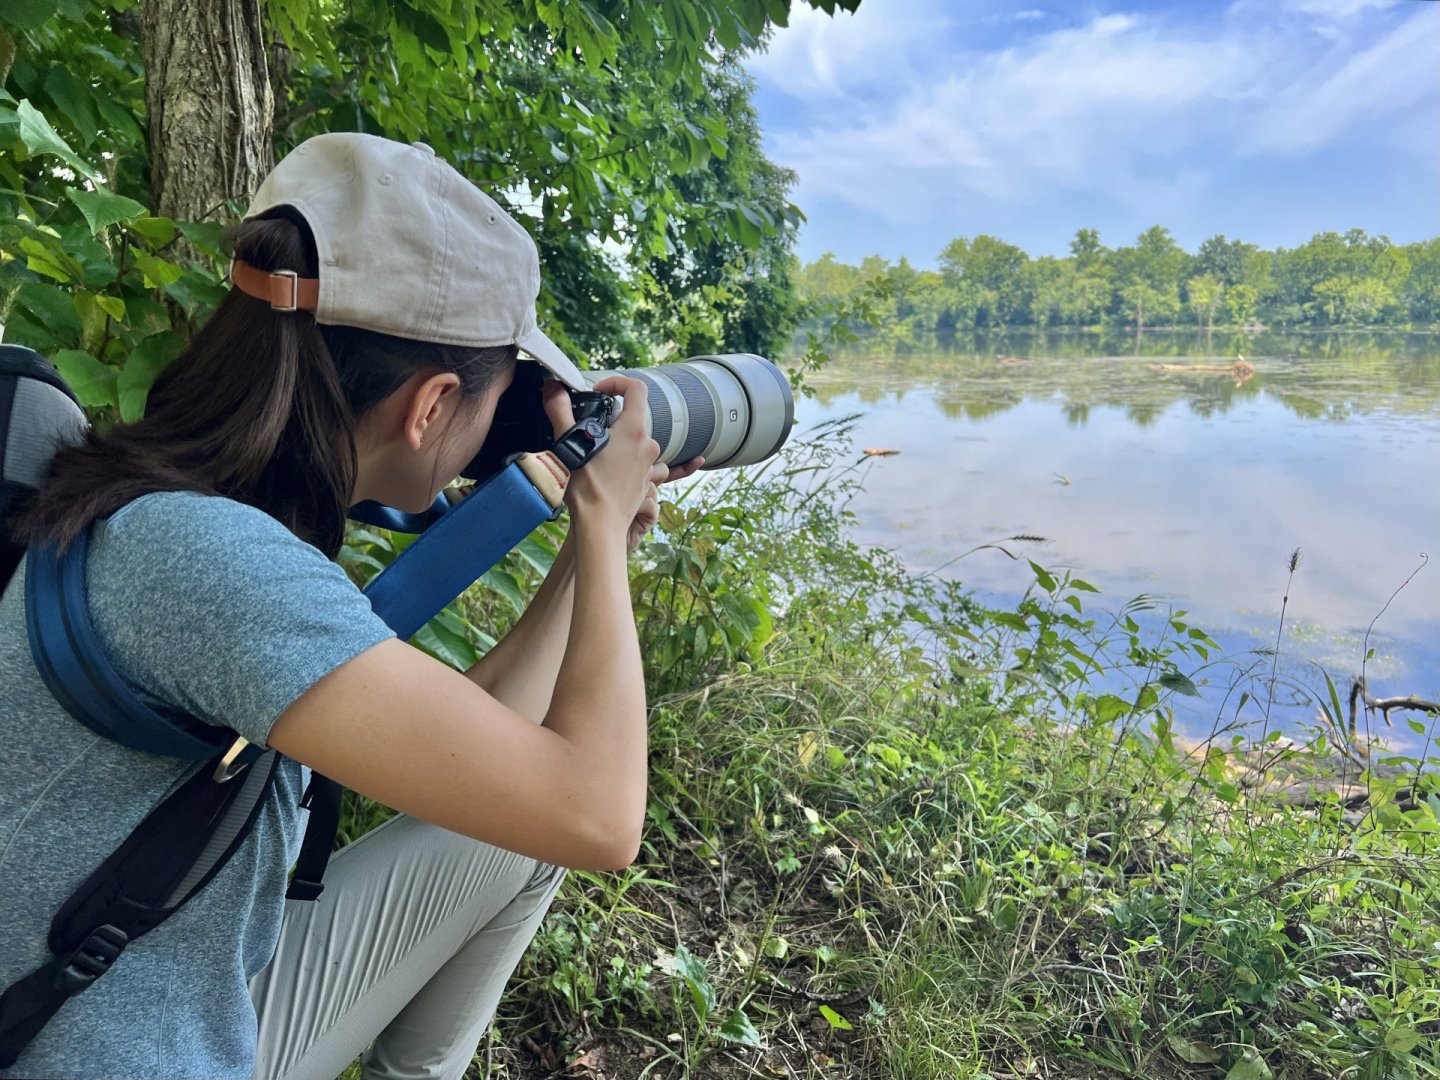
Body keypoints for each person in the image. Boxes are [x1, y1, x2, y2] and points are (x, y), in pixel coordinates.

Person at [0, 133, 699, 1080]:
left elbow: (483, 749)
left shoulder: (186, 500)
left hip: (183, 991)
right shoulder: (213, 564)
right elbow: (599, 816)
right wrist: (607, 507)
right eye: (497, 403)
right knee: (553, 840)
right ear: (431, 405)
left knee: (512, 849)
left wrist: (592, 547)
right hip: (111, 1045)